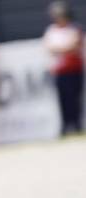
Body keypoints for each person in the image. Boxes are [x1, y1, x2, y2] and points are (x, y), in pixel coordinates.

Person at [43, 1, 84, 136]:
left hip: (74, 70)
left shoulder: (74, 28)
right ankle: (65, 126)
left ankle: (77, 125)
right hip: (60, 71)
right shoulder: (52, 30)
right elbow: (49, 47)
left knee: (75, 99)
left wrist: (61, 49)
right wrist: (64, 49)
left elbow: (75, 46)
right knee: (63, 100)